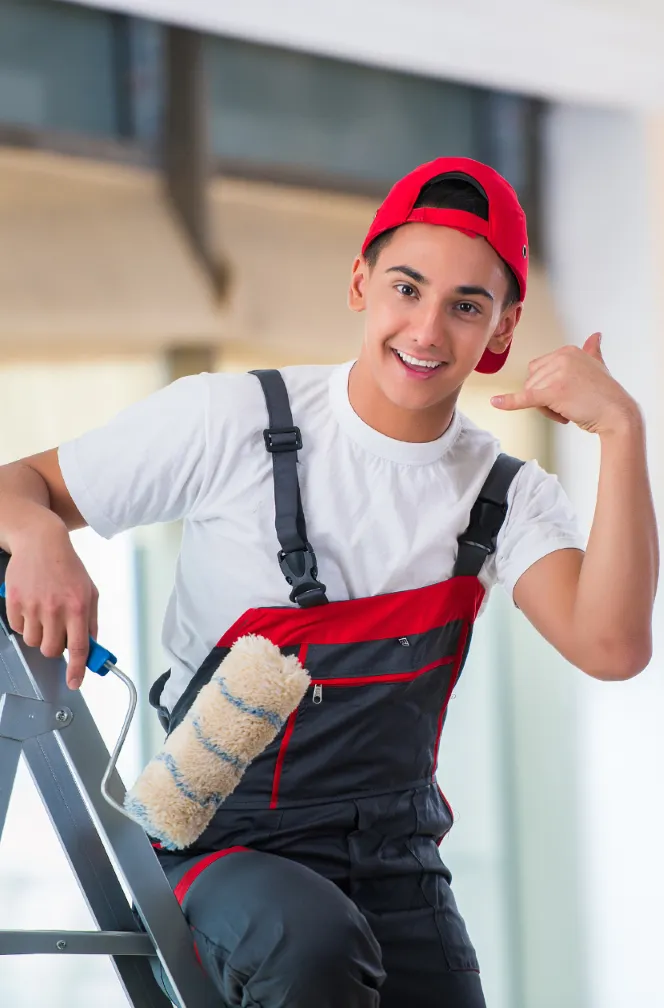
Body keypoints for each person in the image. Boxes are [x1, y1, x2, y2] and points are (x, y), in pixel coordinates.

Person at [0, 157, 657, 1008]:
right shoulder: (230, 420)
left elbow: (610, 646)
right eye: (406, 288)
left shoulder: (505, 495)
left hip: (399, 865)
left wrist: (623, 429)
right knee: (315, 945)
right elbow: (15, 486)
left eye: (466, 307)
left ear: (503, 330)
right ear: (360, 282)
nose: (426, 330)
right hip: (223, 851)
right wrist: (41, 535)